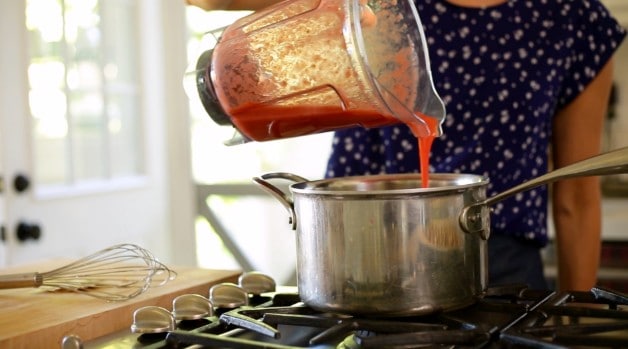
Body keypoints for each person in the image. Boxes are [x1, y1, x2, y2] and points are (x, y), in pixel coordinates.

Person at [188, 0, 626, 291]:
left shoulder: (575, 19)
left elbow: (576, 196)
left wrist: (575, 316)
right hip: (360, 249)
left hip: (494, 263)